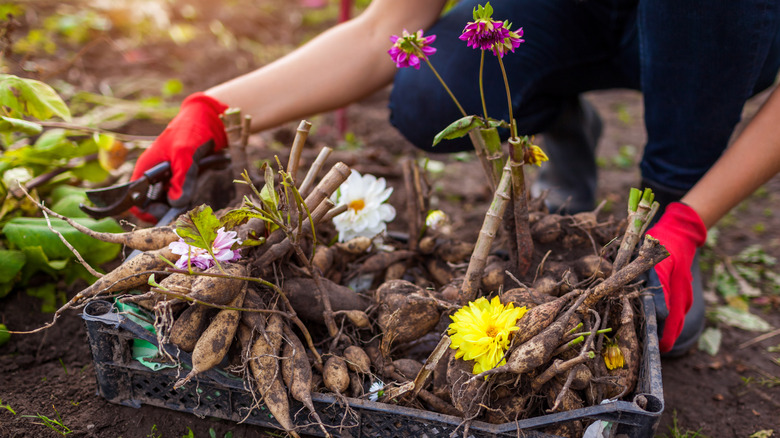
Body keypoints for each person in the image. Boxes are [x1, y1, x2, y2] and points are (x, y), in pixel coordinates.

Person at [130, 0, 780, 356]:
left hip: (723, 26)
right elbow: (385, 30)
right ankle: (553, 126)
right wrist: (212, 111)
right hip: (579, 14)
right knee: (427, 94)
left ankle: (674, 205)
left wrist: (692, 219)